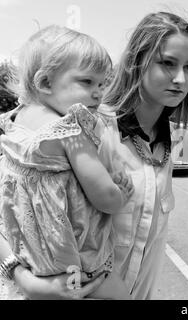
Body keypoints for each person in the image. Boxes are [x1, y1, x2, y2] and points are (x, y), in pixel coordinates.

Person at [0, 12, 188, 299]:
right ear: (138, 62)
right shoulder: (86, 128)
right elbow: (11, 199)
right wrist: (22, 277)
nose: (181, 78)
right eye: (167, 63)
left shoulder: (178, 139)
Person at [0, 25, 134, 299]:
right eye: (87, 82)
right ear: (45, 83)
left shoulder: (15, 125)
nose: (98, 92)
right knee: (118, 293)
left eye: (102, 83)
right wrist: (121, 195)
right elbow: (104, 196)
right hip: (77, 259)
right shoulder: (70, 129)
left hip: (31, 259)